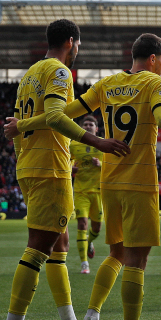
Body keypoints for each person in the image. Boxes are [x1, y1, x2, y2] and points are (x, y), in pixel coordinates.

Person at [8, 32, 161, 320]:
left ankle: (91, 316)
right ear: (153, 59)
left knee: (116, 253)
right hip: (140, 182)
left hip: (109, 183)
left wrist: (25, 123)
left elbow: (63, 114)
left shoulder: (106, 84)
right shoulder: (157, 85)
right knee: (137, 260)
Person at [0, 19, 130, 320]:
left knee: (60, 245)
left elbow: (13, 128)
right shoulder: (59, 72)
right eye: (79, 46)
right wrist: (97, 141)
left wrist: (23, 160)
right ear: (71, 41)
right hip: (49, 169)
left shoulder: (29, 74)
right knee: (38, 248)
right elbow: (57, 116)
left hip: (31, 165)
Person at [69, 115, 103, 274]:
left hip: (98, 192)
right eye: (85, 124)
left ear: (96, 129)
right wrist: (70, 169)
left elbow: (115, 166)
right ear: (81, 128)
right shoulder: (73, 145)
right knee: (82, 224)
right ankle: (84, 264)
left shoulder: (104, 144)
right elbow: (64, 162)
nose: (88, 126)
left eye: (91, 124)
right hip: (81, 191)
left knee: (97, 228)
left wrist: (101, 164)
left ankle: (89, 242)